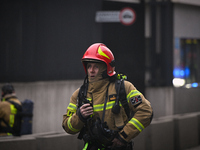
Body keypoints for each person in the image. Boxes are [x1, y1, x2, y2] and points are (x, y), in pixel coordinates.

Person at [62, 43, 153, 150]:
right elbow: (67, 127)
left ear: (106, 68)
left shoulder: (124, 88)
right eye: (89, 66)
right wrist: (80, 116)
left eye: (96, 66)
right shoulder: (79, 94)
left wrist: (123, 136)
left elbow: (146, 111)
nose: (91, 70)